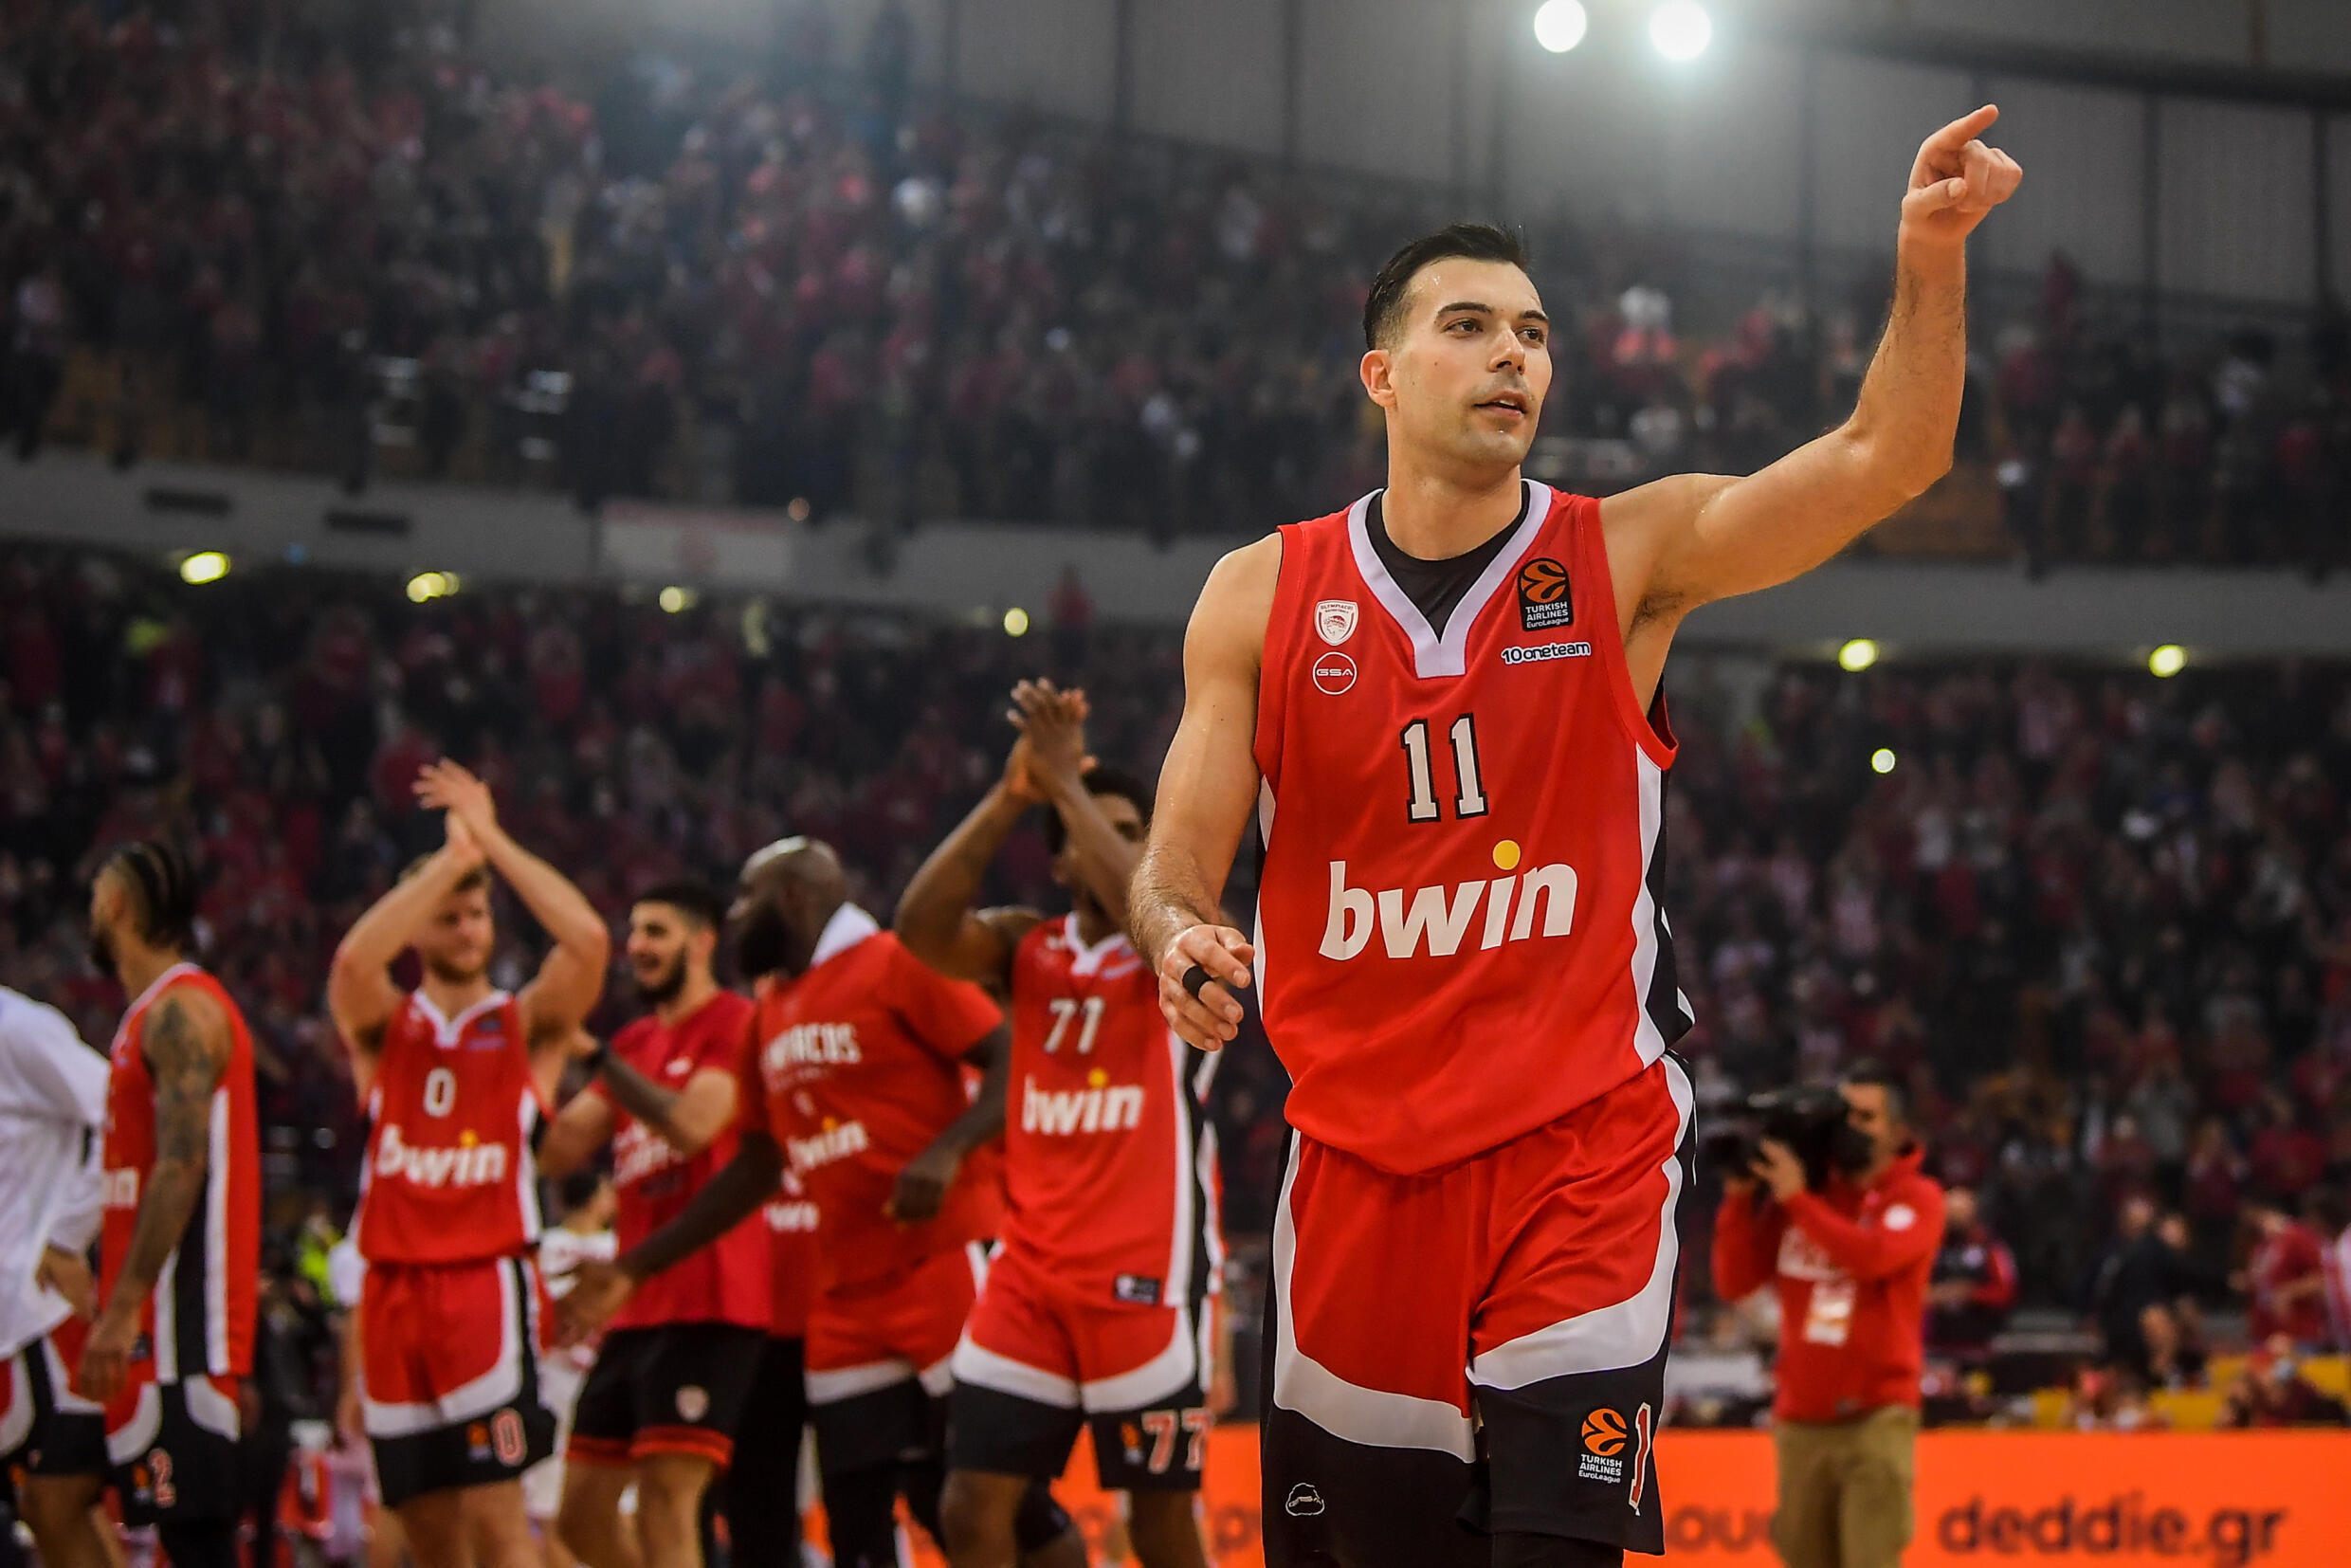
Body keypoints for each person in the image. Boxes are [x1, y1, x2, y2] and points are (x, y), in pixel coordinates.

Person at [1127, 108, 2019, 1567]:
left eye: (1534, 334)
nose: (1515, 358)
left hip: (1583, 1147)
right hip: (1357, 1168)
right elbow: (1176, 860)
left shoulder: (1622, 555)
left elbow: (1884, 459)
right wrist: (1178, 934)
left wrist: (1928, 258)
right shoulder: (1258, 595)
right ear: (1384, 372)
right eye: (1471, 327)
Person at [558, 838, 1082, 1568]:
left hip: (941, 1262)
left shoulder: (894, 961)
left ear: (795, 899)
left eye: (747, 898)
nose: (738, 915)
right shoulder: (768, 1008)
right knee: (853, 1517)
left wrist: (946, 1149)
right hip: (843, 1296)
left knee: (991, 1501)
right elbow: (755, 1168)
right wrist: (636, 1266)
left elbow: (1013, 1056)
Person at [895, 681, 1219, 1568]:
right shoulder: (1025, 948)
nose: (1110, 844)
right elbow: (918, 930)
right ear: (1062, 858)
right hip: (1029, 1278)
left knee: (1159, 1528)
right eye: (1088, 833)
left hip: (1142, 1283)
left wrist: (1068, 783)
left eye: (1130, 833)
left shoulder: (1188, 943)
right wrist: (1014, 795)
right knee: (969, 1509)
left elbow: (1147, 910)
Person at [326, 761, 610, 1568]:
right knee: (424, 1531)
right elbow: (351, 965)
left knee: (498, 1526)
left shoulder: (526, 1025)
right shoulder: (385, 1028)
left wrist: (487, 841)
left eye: (477, 914)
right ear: (415, 929)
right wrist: (446, 867)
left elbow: (588, 940)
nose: (465, 928)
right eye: (447, 917)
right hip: (391, 1292)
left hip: (481, 1286)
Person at [537, 883, 772, 1568]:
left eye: (656, 932)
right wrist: (540, 1050)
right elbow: (556, 1151)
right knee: (579, 1517)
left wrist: (593, 1059)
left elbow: (695, 1125)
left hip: (712, 1298)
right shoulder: (635, 1042)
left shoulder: (734, 1021)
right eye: (634, 932)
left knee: (669, 1501)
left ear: (702, 943)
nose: (638, 947)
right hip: (634, 1310)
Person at [56, 840, 264, 1568]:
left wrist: (120, 1311)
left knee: (195, 1544)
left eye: (94, 899)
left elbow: (181, 1166)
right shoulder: (148, 1015)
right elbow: (129, 1171)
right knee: (52, 1495)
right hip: (143, 1330)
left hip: (183, 1334)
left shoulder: (182, 1012)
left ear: (116, 906)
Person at [1711, 1065, 1946, 1568]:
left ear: (1898, 1132)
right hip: (1800, 1419)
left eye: (1867, 1116)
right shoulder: (1806, 1195)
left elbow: (1873, 1256)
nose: (1852, 1126)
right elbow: (1736, 1282)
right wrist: (1739, 1200)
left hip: (1877, 1417)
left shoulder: (1918, 1198)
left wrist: (1796, 1198)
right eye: (1846, 1114)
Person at [0, 983, 109, 1568]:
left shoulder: (19, 1029)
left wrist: (70, 1235)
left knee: (57, 1508)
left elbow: (125, 1108)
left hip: (31, 1319)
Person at [1924, 1186, 2016, 1355]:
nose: (1955, 1218)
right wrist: (1930, 1295)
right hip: (1933, 1343)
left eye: (1961, 1212)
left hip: (1979, 1343)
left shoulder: (1989, 1246)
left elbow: (2006, 1291)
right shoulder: (1928, 1245)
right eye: (1951, 1212)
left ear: (1973, 1212)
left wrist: (1968, 1292)